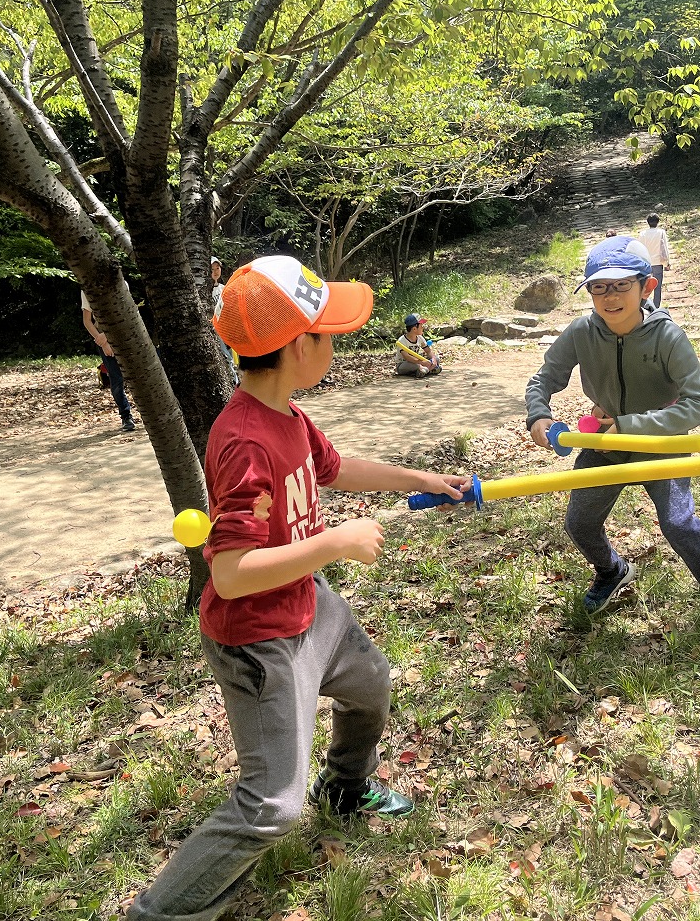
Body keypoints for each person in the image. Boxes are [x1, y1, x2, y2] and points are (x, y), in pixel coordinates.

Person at [127, 255, 465, 921]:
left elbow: (334, 468)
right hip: (260, 642)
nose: (335, 343)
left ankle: (345, 788)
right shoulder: (245, 440)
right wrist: (334, 543)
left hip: (309, 607)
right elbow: (231, 573)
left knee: (370, 684)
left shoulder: (288, 415)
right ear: (297, 346)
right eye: (327, 333)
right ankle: (157, 914)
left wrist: (421, 480)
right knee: (272, 807)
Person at [524, 235, 700, 645]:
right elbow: (543, 379)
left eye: (621, 285)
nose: (610, 296)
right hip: (605, 446)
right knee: (580, 523)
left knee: (679, 523)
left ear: (646, 287)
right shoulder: (581, 332)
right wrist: (539, 415)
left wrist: (628, 425)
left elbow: (698, 403)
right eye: (599, 287)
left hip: (660, 445)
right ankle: (612, 571)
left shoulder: (668, 336)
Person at [80, 290, 135, 432]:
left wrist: (106, 335)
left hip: (126, 336)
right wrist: (103, 342)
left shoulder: (119, 283)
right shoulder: (87, 289)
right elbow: (87, 321)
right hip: (103, 340)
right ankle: (126, 416)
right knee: (116, 379)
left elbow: (126, 313)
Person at [638, 213, 673, 307]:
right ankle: (656, 306)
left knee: (644, 286)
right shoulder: (661, 232)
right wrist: (667, 262)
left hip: (646, 263)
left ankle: (643, 305)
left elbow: (639, 249)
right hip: (658, 262)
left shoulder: (642, 234)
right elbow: (665, 247)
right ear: (658, 222)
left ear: (648, 222)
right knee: (657, 286)